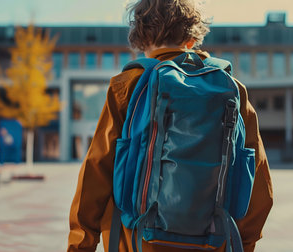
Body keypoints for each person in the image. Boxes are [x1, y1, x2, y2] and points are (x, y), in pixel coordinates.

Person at [68, 0, 273, 251]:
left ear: (141, 39)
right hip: (212, 241)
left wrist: (80, 245)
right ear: (191, 38)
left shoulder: (128, 85)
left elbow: (95, 173)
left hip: (139, 241)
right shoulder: (232, 89)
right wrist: (244, 243)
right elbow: (258, 179)